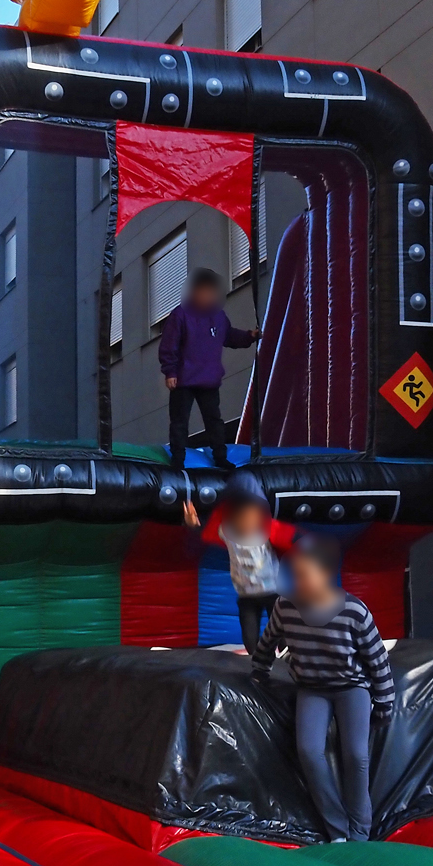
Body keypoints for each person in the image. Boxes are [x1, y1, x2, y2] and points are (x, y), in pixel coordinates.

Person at [251, 534, 395, 842]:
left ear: (326, 574)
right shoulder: (285, 606)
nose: (298, 582)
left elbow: (378, 659)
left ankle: (360, 831)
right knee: (308, 750)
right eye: (294, 575)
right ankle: (337, 829)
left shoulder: (354, 612)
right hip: (312, 687)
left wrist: (384, 702)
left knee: (355, 755)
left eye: (305, 575)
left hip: (351, 687)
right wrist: (259, 670)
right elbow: (268, 641)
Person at [158, 267, 260, 471]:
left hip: (209, 379)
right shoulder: (180, 315)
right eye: (204, 291)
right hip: (184, 379)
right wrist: (170, 372)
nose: (207, 296)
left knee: (214, 421)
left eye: (211, 291)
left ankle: (220, 457)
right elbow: (169, 345)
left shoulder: (218, 316)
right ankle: (178, 459)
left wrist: (249, 336)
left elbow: (229, 336)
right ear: (195, 291)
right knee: (180, 422)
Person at [183, 471, 294, 654]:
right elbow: (205, 534)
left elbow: (293, 539)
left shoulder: (268, 530)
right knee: (250, 637)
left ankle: (286, 655)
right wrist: (194, 525)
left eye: (252, 517)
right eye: (242, 518)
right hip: (247, 595)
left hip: (273, 592)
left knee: (282, 632)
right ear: (232, 517)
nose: (247, 523)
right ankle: (256, 660)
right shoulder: (227, 533)